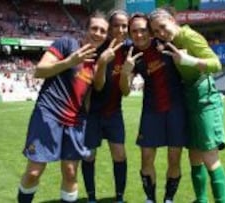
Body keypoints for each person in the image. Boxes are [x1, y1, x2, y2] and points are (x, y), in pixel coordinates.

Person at [17, 11, 109, 203]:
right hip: (49, 114)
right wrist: (69, 62)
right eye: (94, 28)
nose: (98, 33)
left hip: (75, 121)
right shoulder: (67, 44)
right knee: (34, 172)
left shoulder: (97, 62)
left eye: (102, 30)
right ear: (86, 30)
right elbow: (39, 70)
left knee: (70, 172)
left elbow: (91, 93)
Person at [149, 8, 225, 203]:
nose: (160, 33)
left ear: (171, 20)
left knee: (210, 156)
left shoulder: (190, 36)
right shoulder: (170, 42)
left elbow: (216, 64)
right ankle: (200, 200)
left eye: (162, 27)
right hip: (189, 101)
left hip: (205, 101)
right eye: (156, 31)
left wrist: (189, 60)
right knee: (194, 156)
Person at [122, 13, 188, 203]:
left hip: (176, 109)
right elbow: (125, 91)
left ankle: (169, 198)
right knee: (146, 158)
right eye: (134, 31)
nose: (139, 34)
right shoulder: (132, 53)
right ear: (130, 34)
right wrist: (126, 71)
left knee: (174, 159)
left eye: (143, 30)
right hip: (151, 111)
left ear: (150, 31)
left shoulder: (165, 43)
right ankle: (150, 199)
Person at [81, 10, 130, 203]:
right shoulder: (97, 49)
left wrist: (127, 73)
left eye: (124, 26)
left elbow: (125, 91)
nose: (120, 29)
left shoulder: (128, 51)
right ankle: (91, 198)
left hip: (114, 112)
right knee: (89, 156)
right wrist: (102, 63)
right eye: (116, 25)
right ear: (109, 28)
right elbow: (98, 85)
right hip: (93, 113)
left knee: (119, 154)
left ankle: (119, 197)